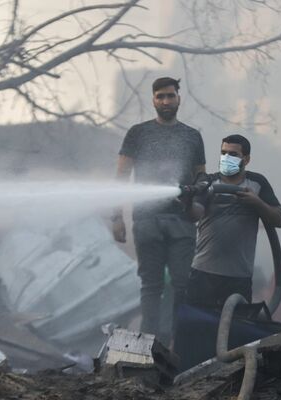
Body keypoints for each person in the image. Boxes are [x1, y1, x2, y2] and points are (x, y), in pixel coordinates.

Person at [112, 77, 206, 338]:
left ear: (179, 98)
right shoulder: (138, 133)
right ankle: (148, 344)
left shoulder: (192, 136)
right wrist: (117, 217)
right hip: (146, 220)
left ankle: (175, 341)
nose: (166, 101)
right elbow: (121, 177)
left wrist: (196, 202)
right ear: (153, 100)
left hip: (182, 221)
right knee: (151, 285)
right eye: (160, 97)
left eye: (170, 96)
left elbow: (201, 177)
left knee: (182, 284)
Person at [185, 134, 281, 309]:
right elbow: (195, 214)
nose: (226, 158)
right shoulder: (208, 182)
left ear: (246, 159)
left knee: (233, 331)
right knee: (197, 330)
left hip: (238, 278)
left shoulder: (257, 184)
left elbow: (278, 219)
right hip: (203, 274)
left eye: (233, 154)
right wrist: (186, 201)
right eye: (223, 153)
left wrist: (257, 203)